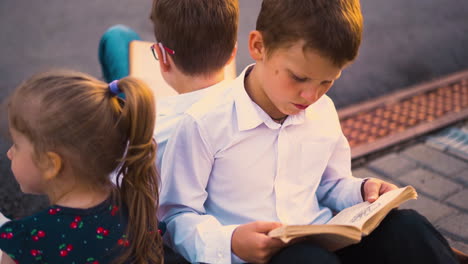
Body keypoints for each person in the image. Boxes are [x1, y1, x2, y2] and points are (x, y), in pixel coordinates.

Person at [158, 0, 459, 263]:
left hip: (323, 243)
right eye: (298, 77)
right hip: (253, 257)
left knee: (406, 229)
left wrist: (362, 190)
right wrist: (231, 241)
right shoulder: (204, 123)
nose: (310, 96)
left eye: (327, 81)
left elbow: (328, 185)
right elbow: (176, 217)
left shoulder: (322, 112)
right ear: (258, 47)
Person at [0, 71, 163, 264]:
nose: (9, 153)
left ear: (51, 164)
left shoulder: (26, 241)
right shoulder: (139, 212)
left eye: (16, 145)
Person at [98, 0, 239, 172]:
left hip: (152, 120)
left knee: (117, 37)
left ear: (162, 58)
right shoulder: (258, 109)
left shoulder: (149, 136)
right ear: (232, 53)